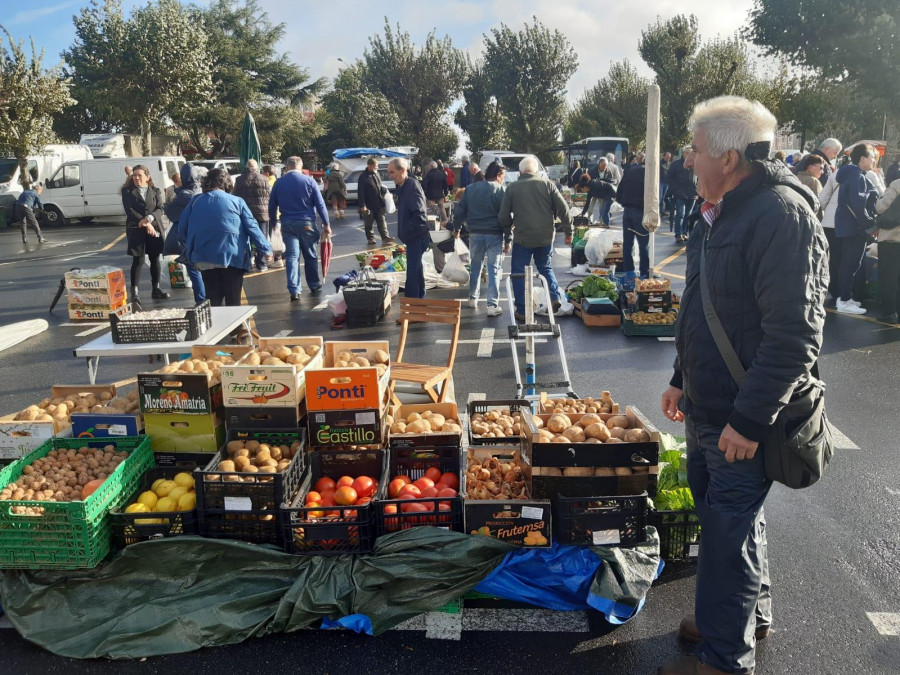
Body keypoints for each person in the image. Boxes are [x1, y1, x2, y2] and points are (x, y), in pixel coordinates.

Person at [659, 95, 828, 675]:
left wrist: (749, 421)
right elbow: (705, 308)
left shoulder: (781, 215)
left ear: (729, 158)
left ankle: (724, 658)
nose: (687, 160)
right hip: (710, 405)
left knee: (728, 536)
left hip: (743, 417)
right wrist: (681, 378)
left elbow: (795, 336)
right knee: (727, 524)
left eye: (695, 149)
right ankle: (740, 617)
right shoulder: (719, 211)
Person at [178, 168, 271, 309]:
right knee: (233, 298)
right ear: (227, 184)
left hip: (204, 256)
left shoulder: (195, 201)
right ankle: (235, 329)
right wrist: (265, 248)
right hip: (232, 256)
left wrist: (192, 243)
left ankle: (217, 328)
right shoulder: (237, 201)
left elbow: (182, 229)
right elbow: (252, 226)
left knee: (212, 298)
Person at [498, 155, 573, 322]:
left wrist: (510, 225)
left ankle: (523, 311)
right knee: (545, 268)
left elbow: (503, 216)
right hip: (545, 237)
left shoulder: (512, 188)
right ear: (536, 171)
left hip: (523, 238)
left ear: (520, 171)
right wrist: (569, 232)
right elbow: (564, 210)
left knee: (519, 273)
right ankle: (554, 297)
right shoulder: (548, 185)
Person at [450, 161, 510, 316]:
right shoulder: (501, 190)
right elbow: (505, 217)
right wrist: (508, 239)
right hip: (494, 234)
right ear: (498, 175)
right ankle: (492, 305)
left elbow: (460, 211)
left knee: (475, 266)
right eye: (502, 176)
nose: (503, 180)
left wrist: (456, 228)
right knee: (493, 269)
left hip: (475, 234)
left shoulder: (470, 189)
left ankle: (472, 298)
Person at [268, 156, 331, 301]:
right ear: (300, 166)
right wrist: (326, 224)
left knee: (291, 257)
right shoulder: (309, 181)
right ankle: (314, 284)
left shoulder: (279, 183)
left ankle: (294, 290)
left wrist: (273, 222)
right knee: (310, 254)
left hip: (288, 223)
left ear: (287, 167)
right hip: (306, 223)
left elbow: (272, 206)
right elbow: (320, 204)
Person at [833, 143, 879, 315]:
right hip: (854, 227)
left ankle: (844, 297)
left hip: (847, 226)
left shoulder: (849, 173)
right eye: (871, 157)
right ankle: (844, 300)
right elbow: (859, 206)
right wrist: (871, 225)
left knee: (848, 264)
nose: (873, 161)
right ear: (862, 158)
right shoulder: (857, 176)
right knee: (851, 264)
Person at [121, 165, 169, 300]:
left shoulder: (155, 191)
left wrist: (149, 220)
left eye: (139, 175)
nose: (136, 178)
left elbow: (160, 209)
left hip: (154, 229)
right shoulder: (127, 191)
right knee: (138, 259)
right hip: (136, 230)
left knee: (155, 258)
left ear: (147, 177)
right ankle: (134, 293)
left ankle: (156, 289)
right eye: (134, 175)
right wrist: (144, 223)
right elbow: (129, 210)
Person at [164, 163, 208, 304]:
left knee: (194, 269)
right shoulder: (203, 191)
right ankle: (211, 298)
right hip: (204, 235)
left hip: (188, 236)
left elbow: (172, 213)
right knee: (207, 269)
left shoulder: (184, 195)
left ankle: (201, 300)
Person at [388, 157, 430, 298]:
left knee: (412, 274)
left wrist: (406, 231)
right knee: (416, 271)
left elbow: (420, 214)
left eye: (392, 172)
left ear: (403, 170)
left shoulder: (411, 186)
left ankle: (411, 306)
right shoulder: (404, 186)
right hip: (414, 236)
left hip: (416, 237)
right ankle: (419, 303)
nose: (390, 176)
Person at [232, 159, 273, 272]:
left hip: (245, 214)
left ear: (246, 168)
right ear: (257, 168)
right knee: (261, 237)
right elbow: (270, 196)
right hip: (262, 214)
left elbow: (234, 196)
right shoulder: (264, 179)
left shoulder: (239, 180)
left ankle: (248, 262)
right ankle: (261, 264)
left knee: (246, 239)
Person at [616, 160, 651, 279]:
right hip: (640, 211)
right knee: (643, 244)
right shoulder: (648, 174)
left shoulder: (629, 171)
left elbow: (619, 192)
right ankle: (644, 273)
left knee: (628, 243)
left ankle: (629, 272)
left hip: (627, 211)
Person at [875, 174, 900, 323]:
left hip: (891, 238)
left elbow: (881, 207)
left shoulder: (897, 184)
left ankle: (889, 313)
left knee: (888, 277)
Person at [357, 158, 394, 245]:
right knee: (369, 223)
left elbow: (379, 185)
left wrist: (383, 191)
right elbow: (360, 192)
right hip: (369, 204)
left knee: (382, 221)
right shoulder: (363, 177)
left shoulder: (377, 174)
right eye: (375, 166)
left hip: (379, 202)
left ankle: (385, 237)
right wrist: (362, 205)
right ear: (369, 166)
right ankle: (370, 238)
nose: (377, 168)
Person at [668, 147, 698, 243]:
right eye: (688, 153)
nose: (690, 155)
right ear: (684, 153)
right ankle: (678, 234)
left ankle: (684, 233)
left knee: (688, 215)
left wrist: (698, 191)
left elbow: (699, 177)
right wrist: (675, 190)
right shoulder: (675, 164)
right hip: (680, 193)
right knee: (680, 214)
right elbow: (670, 179)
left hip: (692, 193)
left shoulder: (695, 163)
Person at [796, 153, 825, 219]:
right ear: (810, 167)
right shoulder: (814, 181)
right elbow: (817, 205)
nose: (822, 172)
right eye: (821, 168)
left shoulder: (795, 178)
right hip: (809, 219)